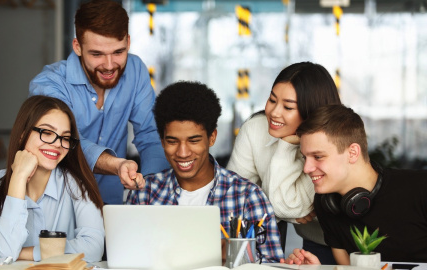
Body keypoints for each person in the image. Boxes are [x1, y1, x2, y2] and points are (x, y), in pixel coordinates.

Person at [29, 0, 169, 204]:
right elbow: (63, 142)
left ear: (128, 43)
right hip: (56, 205)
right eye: (97, 54)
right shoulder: (49, 85)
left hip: (108, 205)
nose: (110, 66)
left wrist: (151, 188)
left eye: (118, 52)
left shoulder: (136, 71)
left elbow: (150, 135)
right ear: (77, 46)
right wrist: (116, 165)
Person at [127, 81, 284, 263]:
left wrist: (230, 258)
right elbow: (127, 260)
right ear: (162, 141)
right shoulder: (144, 194)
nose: (182, 153)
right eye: (172, 141)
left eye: (193, 141)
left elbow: (273, 265)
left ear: (212, 138)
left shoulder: (248, 197)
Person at [226, 62, 341, 264]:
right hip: (304, 236)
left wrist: (287, 145)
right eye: (272, 100)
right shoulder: (254, 130)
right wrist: (287, 215)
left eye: (288, 107)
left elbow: (293, 206)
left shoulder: (329, 141)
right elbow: (236, 199)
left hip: (339, 239)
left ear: (310, 112)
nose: (274, 112)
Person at [283, 104, 427, 265]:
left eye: (317, 157)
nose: (306, 169)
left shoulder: (420, 188)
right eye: (305, 158)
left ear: (352, 153)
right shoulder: (326, 204)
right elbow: (348, 269)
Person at [0, 96, 105, 262]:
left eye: (65, 137)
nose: (58, 144)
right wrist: (19, 177)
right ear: (22, 134)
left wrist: (23, 254)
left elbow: (93, 250)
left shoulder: (78, 184)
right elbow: (6, 249)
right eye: (47, 133)